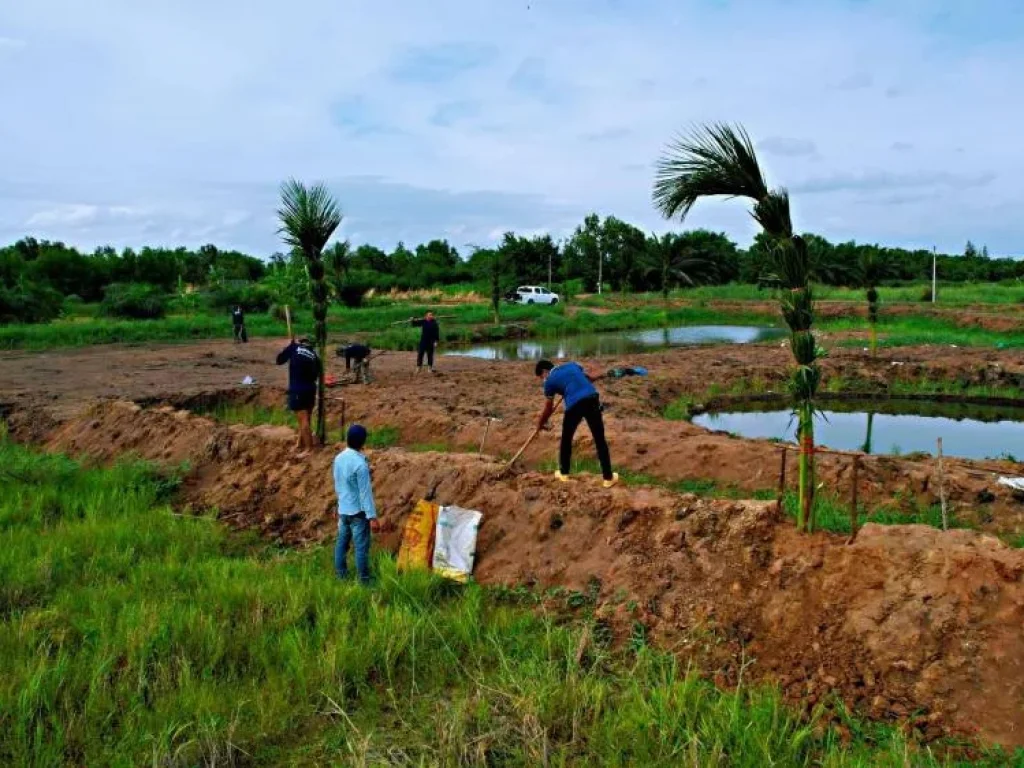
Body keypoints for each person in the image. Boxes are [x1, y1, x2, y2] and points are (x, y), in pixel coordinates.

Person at [535, 359, 618, 488]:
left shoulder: (549, 382)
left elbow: (548, 408)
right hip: (592, 398)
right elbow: (588, 378)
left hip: (574, 405)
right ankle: (608, 478)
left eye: (541, 377)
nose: (542, 380)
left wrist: (540, 423)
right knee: (600, 439)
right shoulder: (572, 365)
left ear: (545, 372)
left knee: (566, 438)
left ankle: (564, 474)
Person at [333, 424, 380, 584]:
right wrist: (372, 517)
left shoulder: (338, 458)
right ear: (363, 442)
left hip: (343, 510)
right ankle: (364, 581)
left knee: (341, 544)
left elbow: (338, 484)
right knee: (361, 549)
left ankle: (341, 576)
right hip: (358, 513)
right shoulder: (360, 465)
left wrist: (338, 505)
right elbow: (365, 493)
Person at [275, 336, 321, 453]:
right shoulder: (315, 356)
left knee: (303, 419)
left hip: (298, 389)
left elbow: (279, 360)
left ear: (301, 342)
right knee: (306, 418)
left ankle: (308, 449)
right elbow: (317, 375)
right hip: (310, 389)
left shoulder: (294, 347)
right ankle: (300, 444)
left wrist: (289, 347)